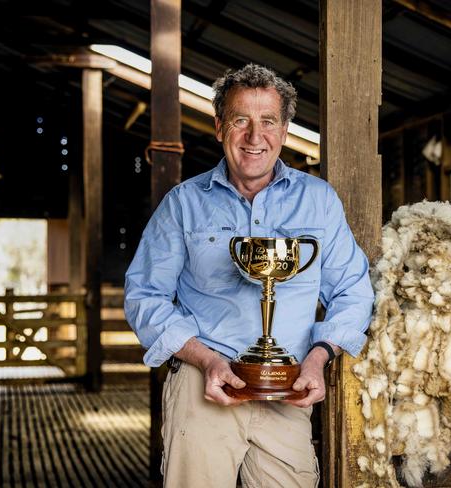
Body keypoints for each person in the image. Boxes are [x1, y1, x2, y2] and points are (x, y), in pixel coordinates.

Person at [124, 63, 374, 488]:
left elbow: (353, 290)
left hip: (287, 387)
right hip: (206, 387)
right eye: (241, 120)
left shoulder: (318, 201)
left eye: (268, 122)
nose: (255, 138)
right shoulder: (183, 204)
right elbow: (144, 294)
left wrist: (319, 358)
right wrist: (205, 359)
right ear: (220, 126)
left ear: (285, 128)